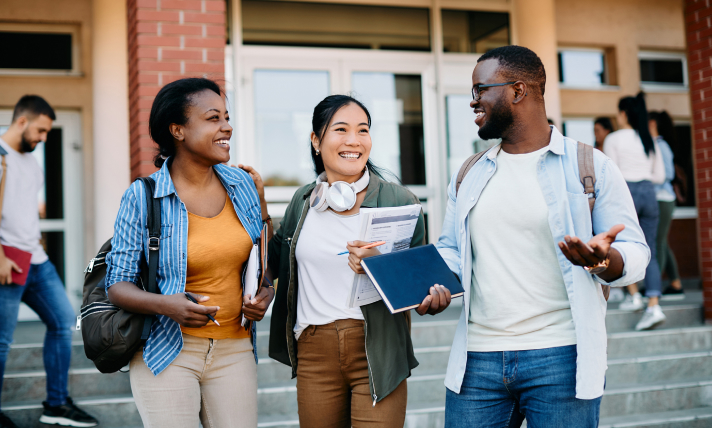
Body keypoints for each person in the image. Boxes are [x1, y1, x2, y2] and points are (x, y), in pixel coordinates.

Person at [437, 46, 649, 427]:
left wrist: (601, 260)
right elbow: (451, 251)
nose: (473, 102)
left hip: (561, 357)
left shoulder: (591, 166)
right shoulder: (469, 173)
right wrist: (433, 285)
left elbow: (634, 253)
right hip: (477, 361)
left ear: (518, 91)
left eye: (480, 90)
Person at [267, 94, 452, 428]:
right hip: (314, 349)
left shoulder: (400, 201)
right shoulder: (303, 201)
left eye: (363, 130)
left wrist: (381, 266)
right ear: (315, 140)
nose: (354, 140)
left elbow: (419, 288)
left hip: (378, 350)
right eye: (341, 129)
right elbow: (273, 262)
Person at [105, 78, 273, 428]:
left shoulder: (241, 184)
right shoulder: (142, 196)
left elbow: (261, 261)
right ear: (178, 130)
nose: (227, 127)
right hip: (168, 350)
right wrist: (168, 304)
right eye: (213, 118)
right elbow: (116, 285)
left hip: (235, 348)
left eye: (227, 117)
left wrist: (265, 291)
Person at [0, 96, 99, 428]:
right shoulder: (0, 157)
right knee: (1, 341)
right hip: (6, 260)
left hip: (36, 261)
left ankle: (55, 405)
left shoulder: (32, 163)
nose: (44, 138)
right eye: (41, 131)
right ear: (22, 121)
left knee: (63, 321)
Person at [603, 93, 666, 330]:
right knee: (650, 248)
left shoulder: (614, 138)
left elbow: (610, 174)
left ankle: (634, 295)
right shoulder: (648, 139)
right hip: (649, 192)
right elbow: (660, 176)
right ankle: (653, 305)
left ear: (623, 113)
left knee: (622, 244)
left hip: (626, 192)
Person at [649, 111, 683, 296]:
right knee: (663, 241)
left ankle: (653, 287)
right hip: (660, 199)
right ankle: (676, 283)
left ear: (652, 124)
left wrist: (647, 179)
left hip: (663, 199)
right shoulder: (656, 144)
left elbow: (668, 174)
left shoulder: (661, 145)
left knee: (657, 242)